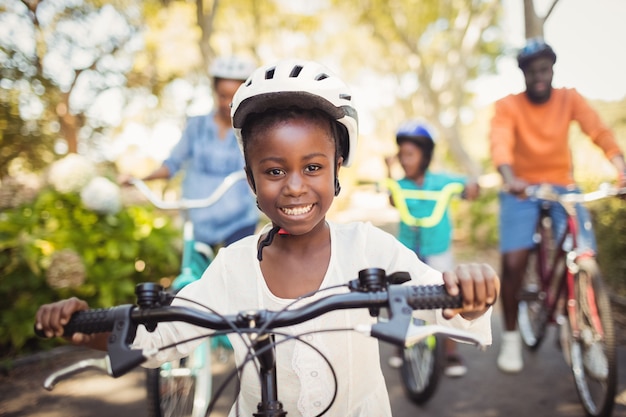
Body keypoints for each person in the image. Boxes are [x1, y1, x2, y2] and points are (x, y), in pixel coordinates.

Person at [36, 59, 500, 417]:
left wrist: (469, 294)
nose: (295, 185)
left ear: (337, 170)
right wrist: (83, 326)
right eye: (274, 170)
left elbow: (442, 303)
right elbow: (163, 336)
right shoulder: (234, 267)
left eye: (313, 167)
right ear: (251, 179)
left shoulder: (368, 248)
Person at [489, 38, 626, 374]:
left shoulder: (569, 99)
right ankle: (510, 336)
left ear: (552, 69)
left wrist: (621, 170)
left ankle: (589, 337)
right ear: (523, 74)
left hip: (563, 186)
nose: (539, 76)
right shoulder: (509, 105)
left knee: (583, 252)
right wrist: (509, 177)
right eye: (531, 71)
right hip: (521, 188)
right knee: (515, 262)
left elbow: (600, 131)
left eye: (544, 69)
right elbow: (500, 141)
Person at [120, 55, 260, 252]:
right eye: (222, 95)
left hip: (238, 220)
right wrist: (139, 178)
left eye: (234, 96)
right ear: (214, 92)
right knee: (195, 276)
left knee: (237, 274)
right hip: (199, 221)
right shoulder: (196, 126)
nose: (227, 103)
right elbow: (172, 164)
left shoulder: (252, 131)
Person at [384, 120, 480, 377]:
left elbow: (465, 186)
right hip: (407, 248)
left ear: (425, 156)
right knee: (399, 293)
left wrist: (471, 187)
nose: (405, 160)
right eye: (402, 155)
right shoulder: (401, 184)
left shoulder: (440, 181)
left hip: (437, 248)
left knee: (447, 295)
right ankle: (401, 342)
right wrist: (388, 173)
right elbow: (392, 197)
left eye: (410, 155)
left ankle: (449, 352)